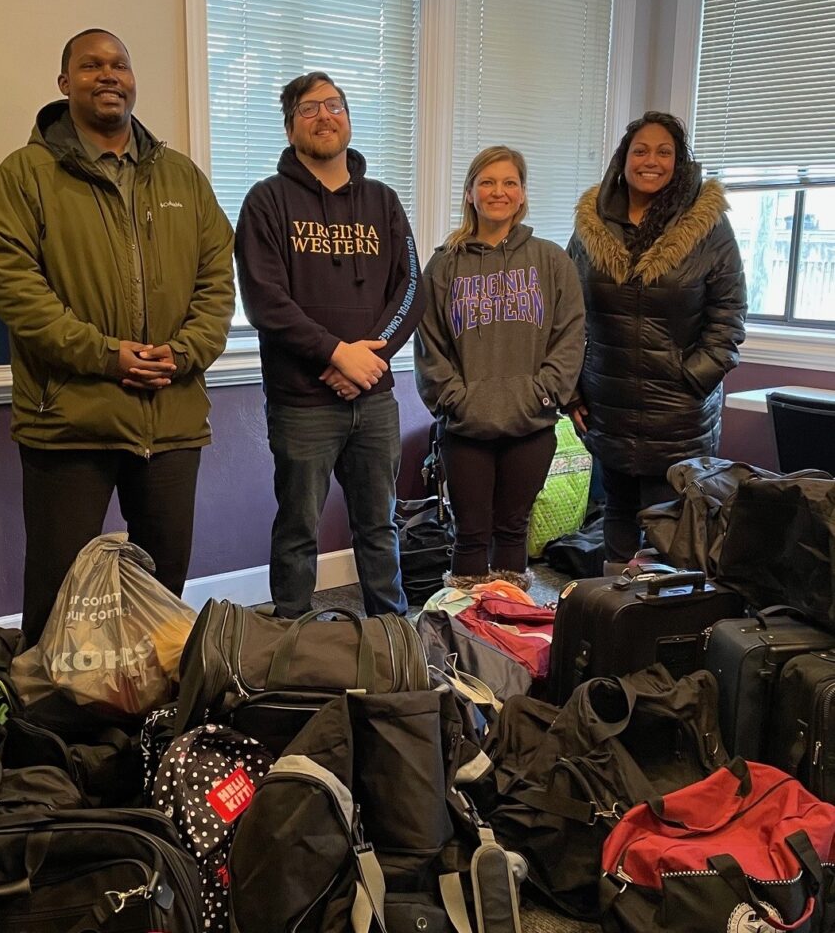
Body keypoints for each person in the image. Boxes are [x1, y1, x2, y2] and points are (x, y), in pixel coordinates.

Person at [0, 28, 234, 644]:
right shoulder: (25, 175)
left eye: (119, 64)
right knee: (58, 591)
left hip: (169, 418)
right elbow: (12, 285)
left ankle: (147, 720)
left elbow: (216, 280)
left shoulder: (181, 178)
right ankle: (46, 723)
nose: (108, 75)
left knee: (163, 591)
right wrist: (106, 356)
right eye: (90, 66)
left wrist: (183, 352)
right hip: (70, 419)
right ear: (65, 83)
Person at [235, 71, 425, 618]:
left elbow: (412, 288)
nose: (325, 116)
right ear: (291, 126)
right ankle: (287, 639)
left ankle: (391, 636)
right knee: (297, 529)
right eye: (309, 108)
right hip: (302, 402)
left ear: (348, 117)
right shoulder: (266, 202)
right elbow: (266, 302)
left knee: (380, 526)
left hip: (374, 397)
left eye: (334, 105)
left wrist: (371, 356)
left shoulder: (383, 201)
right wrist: (338, 354)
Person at [566, 111, 747, 568]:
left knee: (673, 528)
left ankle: (664, 625)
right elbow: (565, 315)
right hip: (609, 403)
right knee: (617, 515)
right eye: (640, 150)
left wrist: (690, 382)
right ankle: (612, 615)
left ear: (679, 162)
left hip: (678, 412)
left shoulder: (709, 228)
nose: (652, 161)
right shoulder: (591, 226)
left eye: (664, 152)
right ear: (622, 160)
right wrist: (571, 390)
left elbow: (728, 318)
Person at [415, 146, 585, 590]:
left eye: (510, 182)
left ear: (523, 194)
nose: (498, 191)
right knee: (469, 535)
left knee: (514, 530)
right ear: (470, 193)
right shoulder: (443, 265)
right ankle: (466, 641)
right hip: (466, 426)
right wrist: (455, 400)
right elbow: (429, 344)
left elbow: (570, 337)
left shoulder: (551, 261)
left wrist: (544, 395)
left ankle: (507, 633)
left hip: (531, 424)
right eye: (487, 182)